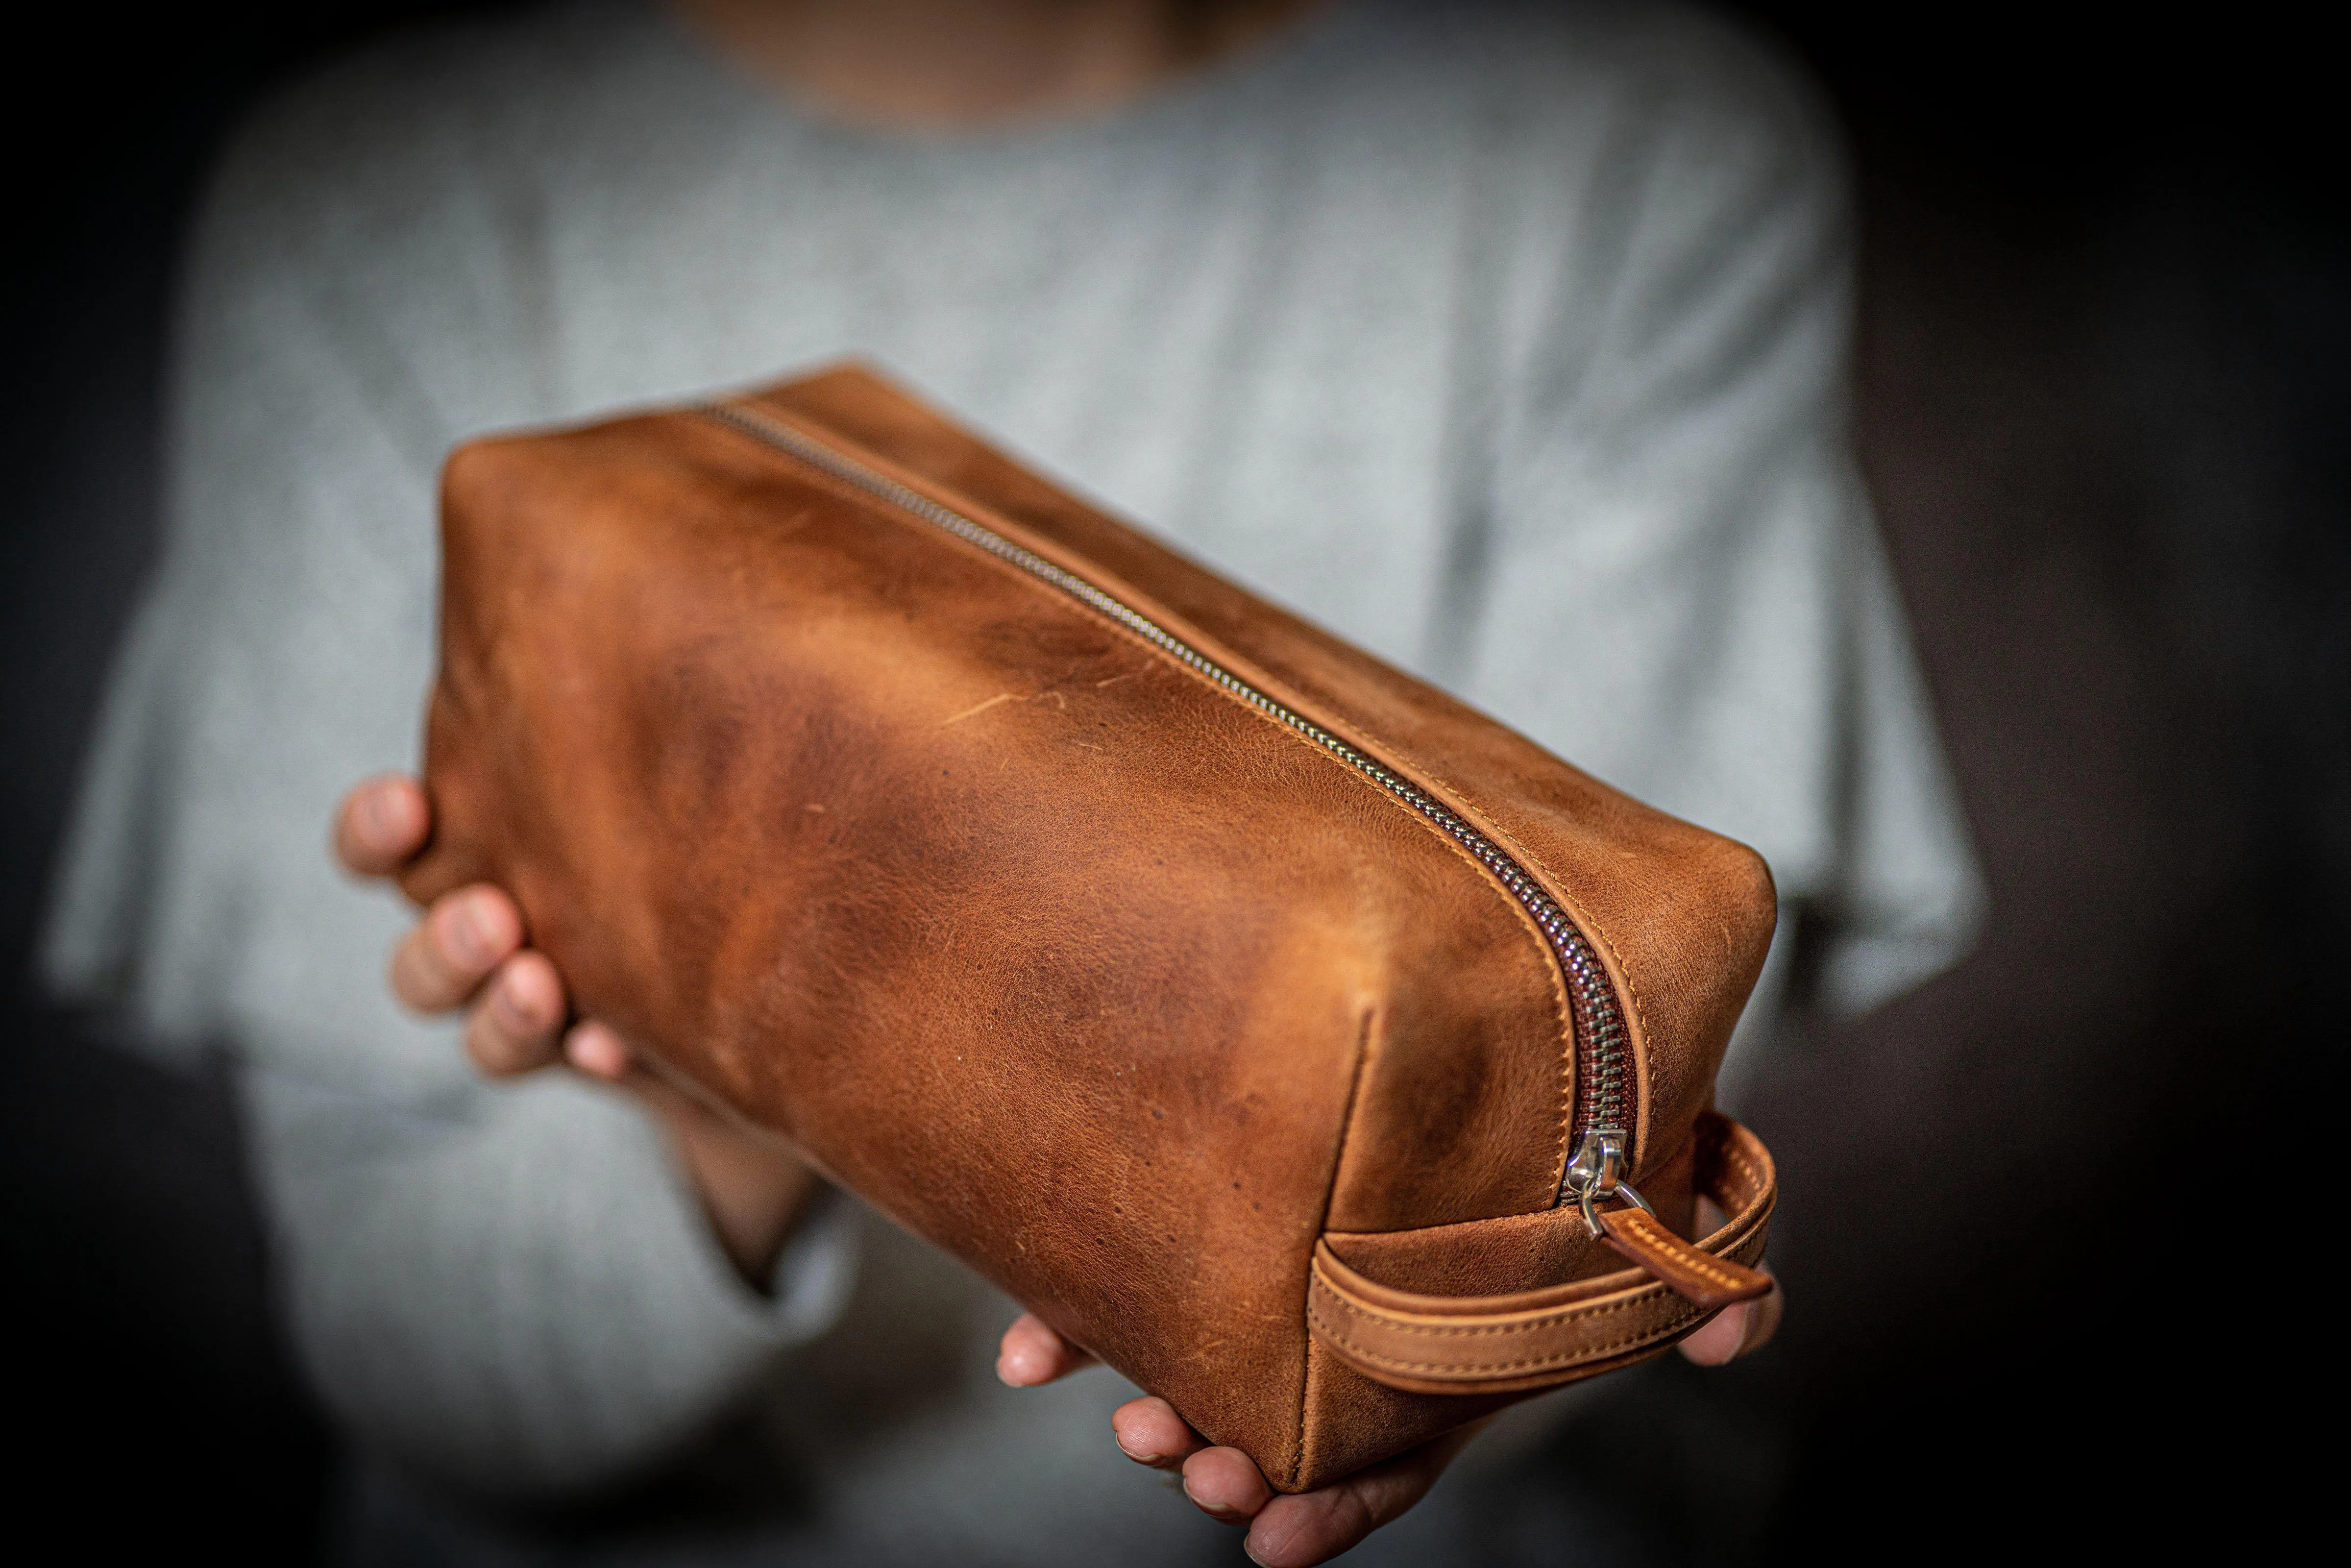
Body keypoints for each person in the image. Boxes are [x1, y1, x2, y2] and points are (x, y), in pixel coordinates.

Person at [44, 0, 1981, 1563]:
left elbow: (1585, 1128)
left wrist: (1482, 1343)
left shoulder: (1615, 134)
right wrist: (744, 1065)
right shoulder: (386, 198)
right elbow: (429, 1371)